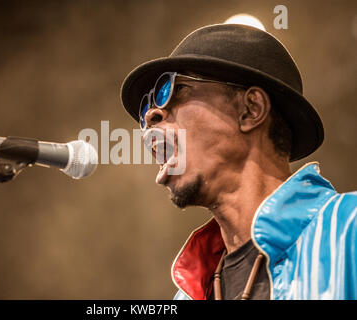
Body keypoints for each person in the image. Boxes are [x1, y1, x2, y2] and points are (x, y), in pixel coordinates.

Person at [119, 24, 356, 300]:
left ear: (250, 110)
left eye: (175, 89)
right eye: (147, 107)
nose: (150, 116)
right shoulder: (187, 296)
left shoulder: (348, 231)